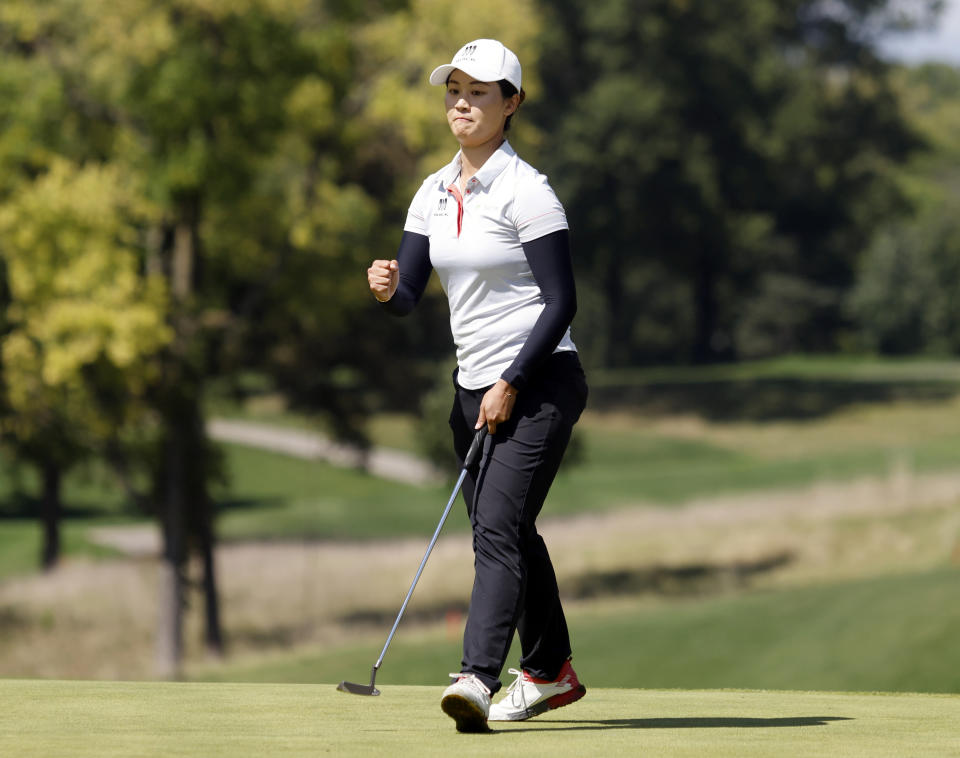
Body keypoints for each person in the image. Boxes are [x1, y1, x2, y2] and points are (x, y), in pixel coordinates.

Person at [366, 38, 588, 733]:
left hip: (541, 380)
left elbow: (561, 303)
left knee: (495, 530)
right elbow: (409, 297)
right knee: (509, 529)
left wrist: (512, 380)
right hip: (473, 390)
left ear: (511, 103)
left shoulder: (528, 191)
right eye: (454, 90)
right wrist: (388, 288)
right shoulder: (433, 191)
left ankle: (476, 678)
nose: (462, 102)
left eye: (479, 92)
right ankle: (551, 668)